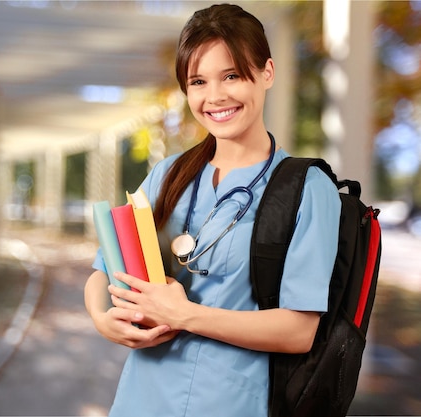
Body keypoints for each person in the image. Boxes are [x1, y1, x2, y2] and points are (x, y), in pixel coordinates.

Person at [84, 3, 341, 417]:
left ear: (267, 73)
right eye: (198, 81)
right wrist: (101, 318)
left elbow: (299, 331)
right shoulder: (170, 173)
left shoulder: (309, 189)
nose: (215, 97)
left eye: (232, 76)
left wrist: (185, 315)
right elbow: (103, 272)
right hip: (141, 399)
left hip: (231, 402)